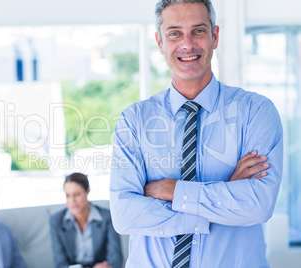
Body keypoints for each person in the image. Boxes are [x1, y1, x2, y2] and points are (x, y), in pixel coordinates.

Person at [109, 0, 283, 267]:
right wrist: (224, 196)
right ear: (160, 42)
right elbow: (125, 216)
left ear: (214, 36)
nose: (187, 44)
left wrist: (172, 190)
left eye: (198, 31)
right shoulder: (134, 121)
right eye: (175, 33)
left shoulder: (256, 112)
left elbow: (258, 204)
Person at [50, 173, 123, 268]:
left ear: (87, 191)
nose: (72, 201)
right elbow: (60, 263)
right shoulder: (56, 220)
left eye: (76, 195)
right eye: (68, 195)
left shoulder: (107, 217)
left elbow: (116, 259)